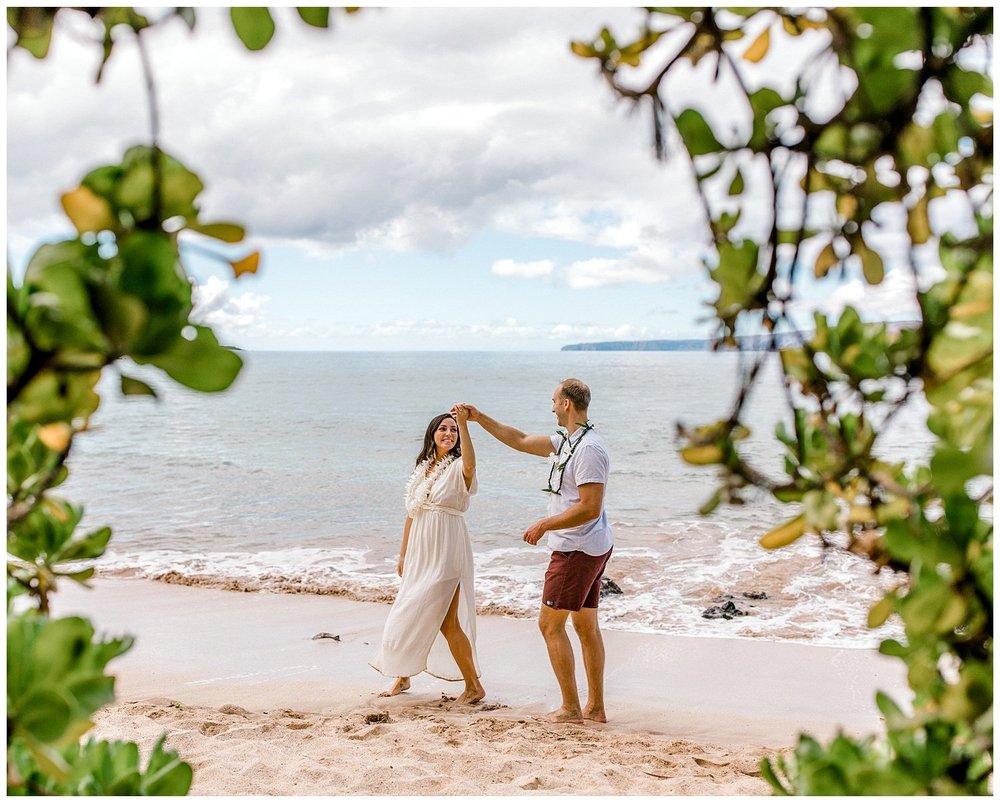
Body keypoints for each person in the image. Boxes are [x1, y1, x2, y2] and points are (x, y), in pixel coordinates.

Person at [453, 378, 612, 724]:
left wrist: (544, 524)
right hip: (590, 545)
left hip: (576, 549)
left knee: (549, 625)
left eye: (554, 401)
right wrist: (480, 419)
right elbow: (521, 440)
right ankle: (595, 708)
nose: (551, 406)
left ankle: (571, 709)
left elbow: (590, 507)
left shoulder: (588, 450)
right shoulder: (569, 441)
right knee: (585, 628)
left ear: (567, 404)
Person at [369, 408, 486, 704]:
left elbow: (471, 464)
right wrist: (402, 554)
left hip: (447, 547)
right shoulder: (423, 469)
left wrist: (465, 424)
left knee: (447, 622)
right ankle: (403, 675)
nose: (449, 434)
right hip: (421, 549)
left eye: (453, 430)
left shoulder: (459, 465)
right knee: (408, 608)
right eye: (443, 429)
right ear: (432, 435)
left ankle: (474, 687)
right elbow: (412, 512)